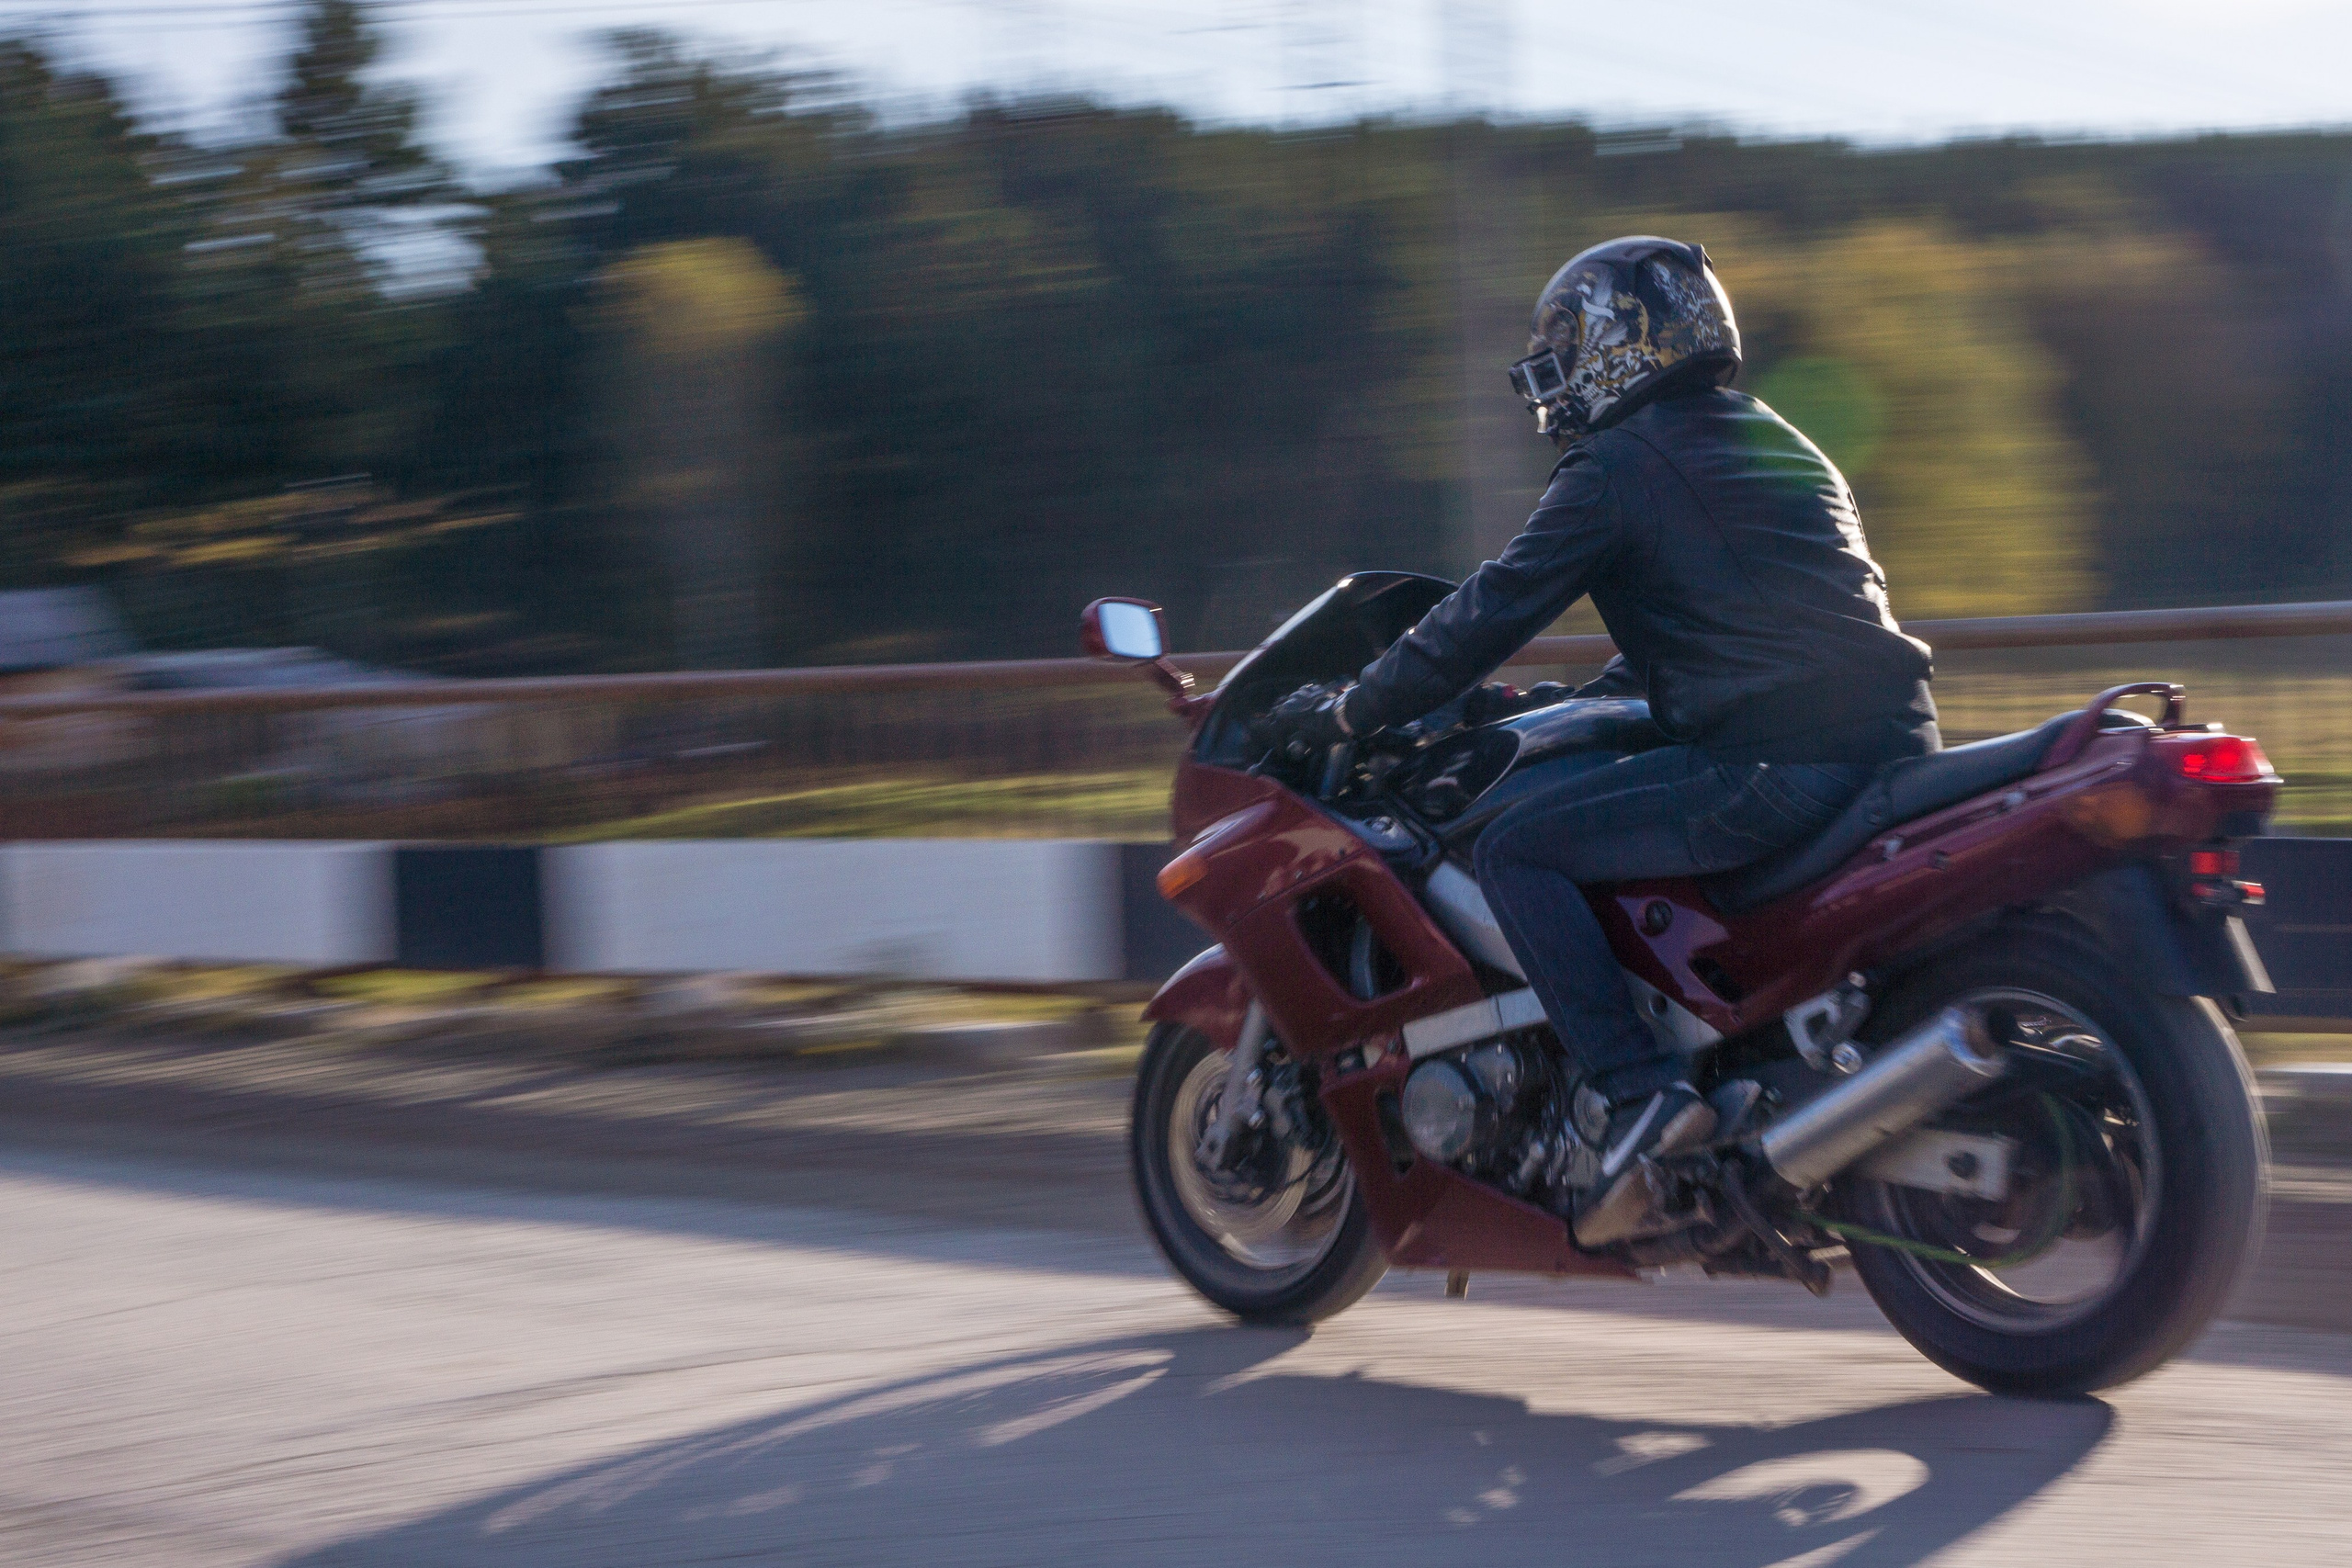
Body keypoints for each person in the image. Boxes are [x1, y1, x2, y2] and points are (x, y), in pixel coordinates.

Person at [1263, 236, 1940, 1247]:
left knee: (1518, 848)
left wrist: (1355, 709)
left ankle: (1639, 1096)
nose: (1560, 375)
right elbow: (1726, 635)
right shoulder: (1771, 437)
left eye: (1569, 346)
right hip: (1884, 744)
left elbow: (1487, 609)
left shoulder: (1619, 463)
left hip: (1775, 767)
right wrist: (1541, 704)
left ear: (1615, 347)